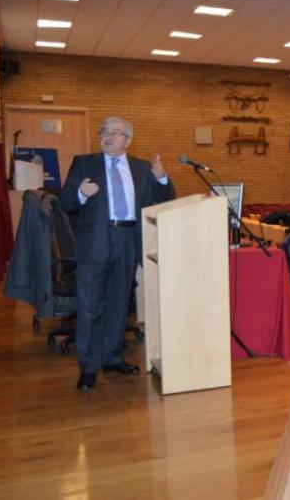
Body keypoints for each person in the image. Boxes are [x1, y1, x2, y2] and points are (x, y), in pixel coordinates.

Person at [59, 116, 176, 392]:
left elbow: (165, 200)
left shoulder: (141, 168)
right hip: (96, 240)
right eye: (104, 132)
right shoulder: (84, 163)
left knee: (119, 303)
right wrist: (82, 194)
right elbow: (64, 203)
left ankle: (111, 357)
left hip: (127, 239)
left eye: (116, 132)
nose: (108, 136)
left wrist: (161, 178)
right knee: (90, 305)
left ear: (128, 140)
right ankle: (88, 368)